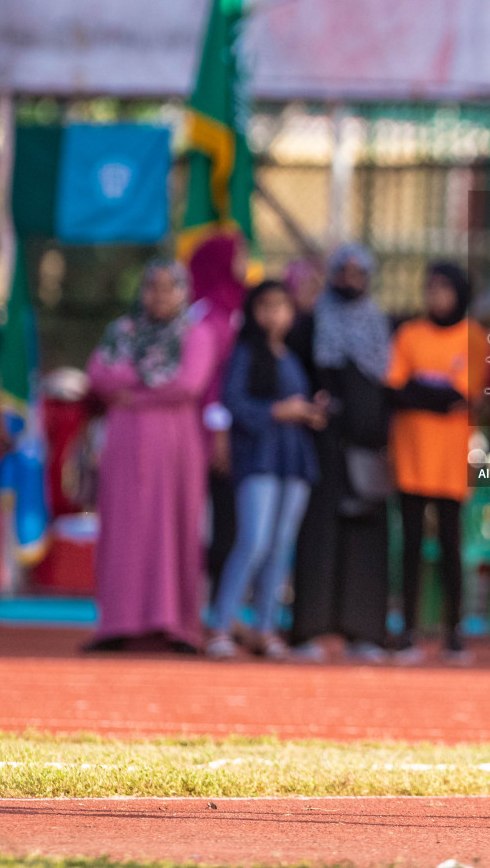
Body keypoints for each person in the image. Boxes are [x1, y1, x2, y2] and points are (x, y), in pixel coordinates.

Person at [86, 260, 216, 653]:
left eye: (168, 288)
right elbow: (98, 375)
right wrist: (147, 383)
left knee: (173, 525)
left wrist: (132, 389)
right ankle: (119, 623)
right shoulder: (122, 331)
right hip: (125, 442)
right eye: (152, 287)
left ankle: (176, 626)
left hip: (175, 445)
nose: (159, 296)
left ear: (183, 292)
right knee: (124, 526)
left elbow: (188, 383)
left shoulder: (197, 333)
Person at [207, 281, 326, 660]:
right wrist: (279, 411)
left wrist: (309, 411)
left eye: (282, 306)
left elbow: (295, 405)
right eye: (266, 306)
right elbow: (235, 404)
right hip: (258, 458)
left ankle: (264, 628)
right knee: (253, 541)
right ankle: (221, 624)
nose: (275, 314)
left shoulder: (290, 356)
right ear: (254, 312)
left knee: (280, 548)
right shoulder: (244, 354)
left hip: (293, 459)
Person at [287, 244, 394, 662]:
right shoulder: (311, 324)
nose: (350, 278)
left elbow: (388, 385)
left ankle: (364, 632)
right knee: (318, 536)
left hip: (368, 449)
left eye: (358, 271)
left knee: (366, 537)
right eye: (343, 271)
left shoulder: (381, 325)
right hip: (323, 450)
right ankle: (309, 630)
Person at [386, 261, 476, 663]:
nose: (435, 296)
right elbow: (394, 388)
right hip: (410, 456)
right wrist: (433, 395)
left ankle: (453, 631)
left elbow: (462, 396)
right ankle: (406, 629)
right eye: (431, 288)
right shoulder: (409, 334)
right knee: (409, 547)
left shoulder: (471, 336)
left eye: (444, 289)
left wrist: (420, 389)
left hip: (450, 461)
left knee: (450, 547)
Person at [187, 234, 249, 596]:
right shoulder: (205, 313)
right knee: (212, 519)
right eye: (238, 255)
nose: (246, 261)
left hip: (242, 428)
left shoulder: (238, 306)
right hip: (210, 433)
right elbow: (210, 380)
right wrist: (218, 433)